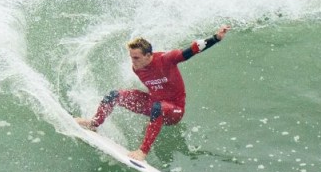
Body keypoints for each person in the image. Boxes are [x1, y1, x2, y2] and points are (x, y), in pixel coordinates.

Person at [76, 25, 231, 162]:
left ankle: (143, 151)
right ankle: (93, 124)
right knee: (114, 95)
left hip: (174, 110)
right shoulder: (137, 69)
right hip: (154, 104)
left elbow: (193, 49)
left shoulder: (166, 59)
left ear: (149, 55)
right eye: (131, 57)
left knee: (158, 107)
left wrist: (216, 38)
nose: (133, 61)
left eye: (136, 57)